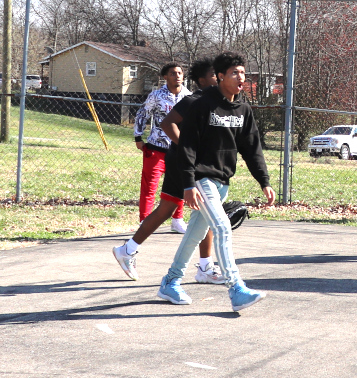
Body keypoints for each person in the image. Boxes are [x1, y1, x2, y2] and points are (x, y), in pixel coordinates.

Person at [155, 51, 276, 312]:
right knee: (222, 227)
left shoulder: (242, 109)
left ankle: (170, 281)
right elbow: (187, 145)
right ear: (220, 76)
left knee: (195, 233)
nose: (241, 77)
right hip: (201, 178)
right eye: (234, 73)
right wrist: (188, 184)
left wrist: (264, 181)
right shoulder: (201, 104)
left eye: (243, 72)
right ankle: (236, 289)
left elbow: (252, 148)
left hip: (222, 181)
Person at [112, 59, 222, 284]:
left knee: (168, 209)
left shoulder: (200, 98)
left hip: (181, 157)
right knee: (207, 211)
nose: (219, 78)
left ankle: (128, 249)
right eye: (215, 75)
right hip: (181, 157)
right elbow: (166, 123)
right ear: (204, 80)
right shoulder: (195, 100)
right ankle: (204, 267)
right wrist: (141, 137)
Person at [132, 62, 190, 232]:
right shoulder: (156, 95)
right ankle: (145, 220)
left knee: (179, 185)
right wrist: (138, 136)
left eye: (180, 73)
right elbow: (143, 113)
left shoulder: (189, 96)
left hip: (178, 148)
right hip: (156, 148)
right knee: (150, 186)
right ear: (165, 77)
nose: (177, 76)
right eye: (173, 73)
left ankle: (177, 219)